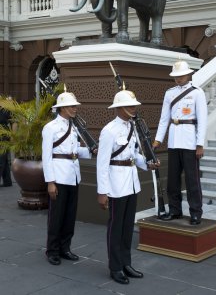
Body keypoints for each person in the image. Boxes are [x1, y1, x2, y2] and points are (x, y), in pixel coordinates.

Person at [97, 89, 160, 285]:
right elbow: (102, 162)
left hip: (131, 183)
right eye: (131, 105)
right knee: (116, 228)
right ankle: (115, 267)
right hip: (115, 185)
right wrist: (102, 191)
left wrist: (147, 164)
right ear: (120, 108)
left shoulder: (133, 127)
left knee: (126, 228)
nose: (134, 108)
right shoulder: (109, 131)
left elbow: (135, 154)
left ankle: (126, 263)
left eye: (134, 105)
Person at [153, 60, 207, 225]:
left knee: (192, 180)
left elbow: (203, 120)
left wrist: (200, 144)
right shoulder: (169, 93)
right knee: (173, 180)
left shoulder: (197, 93)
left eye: (181, 76)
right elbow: (164, 120)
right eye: (176, 76)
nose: (178, 79)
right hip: (174, 140)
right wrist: (157, 141)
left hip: (190, 141)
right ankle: (175, 210)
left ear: (188, 74)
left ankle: (196, 212)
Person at [42, 91, 92, 265]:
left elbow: (76, 150)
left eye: (75, 106)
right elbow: (47, 156)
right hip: (59, 176)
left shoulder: (75, 126)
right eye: (72, 106)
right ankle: (52, 250)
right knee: (56, 216)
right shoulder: (50, 128)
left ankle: (65, 248)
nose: (75, 109)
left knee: (70, 216)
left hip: (73, 175)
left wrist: (92, 151)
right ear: (62, 108)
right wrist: (50, 182)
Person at [0, 107, 12, 187]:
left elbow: (14, 122)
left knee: (1, 159)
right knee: (4, 160)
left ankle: (7, 181)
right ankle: (7, 181)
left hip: (3, 137)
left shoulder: (5, 109)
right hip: (4, 137)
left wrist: (13, 136)